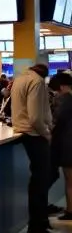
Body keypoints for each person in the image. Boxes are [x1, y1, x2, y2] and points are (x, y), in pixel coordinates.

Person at [10, 62, 62, 233]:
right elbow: (35, 116)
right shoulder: (37, 82)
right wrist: (46, 133)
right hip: (34, 134)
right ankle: (37, 225)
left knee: (40, 180)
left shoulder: (19, 79)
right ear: (44, 75)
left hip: (23, 131)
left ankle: (40, 221)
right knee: (42, 180)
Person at [50, 71, 72, 220]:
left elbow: (55, 122)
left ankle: (70, 210)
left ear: (62, 87)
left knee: (69, 179)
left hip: (67, 145)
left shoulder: (64, 100)